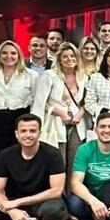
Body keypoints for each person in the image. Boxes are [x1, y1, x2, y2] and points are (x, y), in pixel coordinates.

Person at [34, 42, 89, 170]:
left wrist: (80, 114)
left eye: (72, 56)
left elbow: (87, 101)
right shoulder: (49, 75)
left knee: (75, 162)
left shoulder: (84, 77)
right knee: (58, 161)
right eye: (65, 56)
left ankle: (72, 184)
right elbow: (40, 102)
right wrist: (60, 113)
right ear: (59, 59)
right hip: (54, 123)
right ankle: (57, 184)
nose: (69, 59)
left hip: (77, 123)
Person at [0, 41, 37, 163]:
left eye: (13, 53)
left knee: (21, 156)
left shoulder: (30, 75)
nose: (9, 56)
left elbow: (36, 101)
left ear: (19, 56)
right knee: (1, 158)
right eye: (4, 53)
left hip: (21, 119)